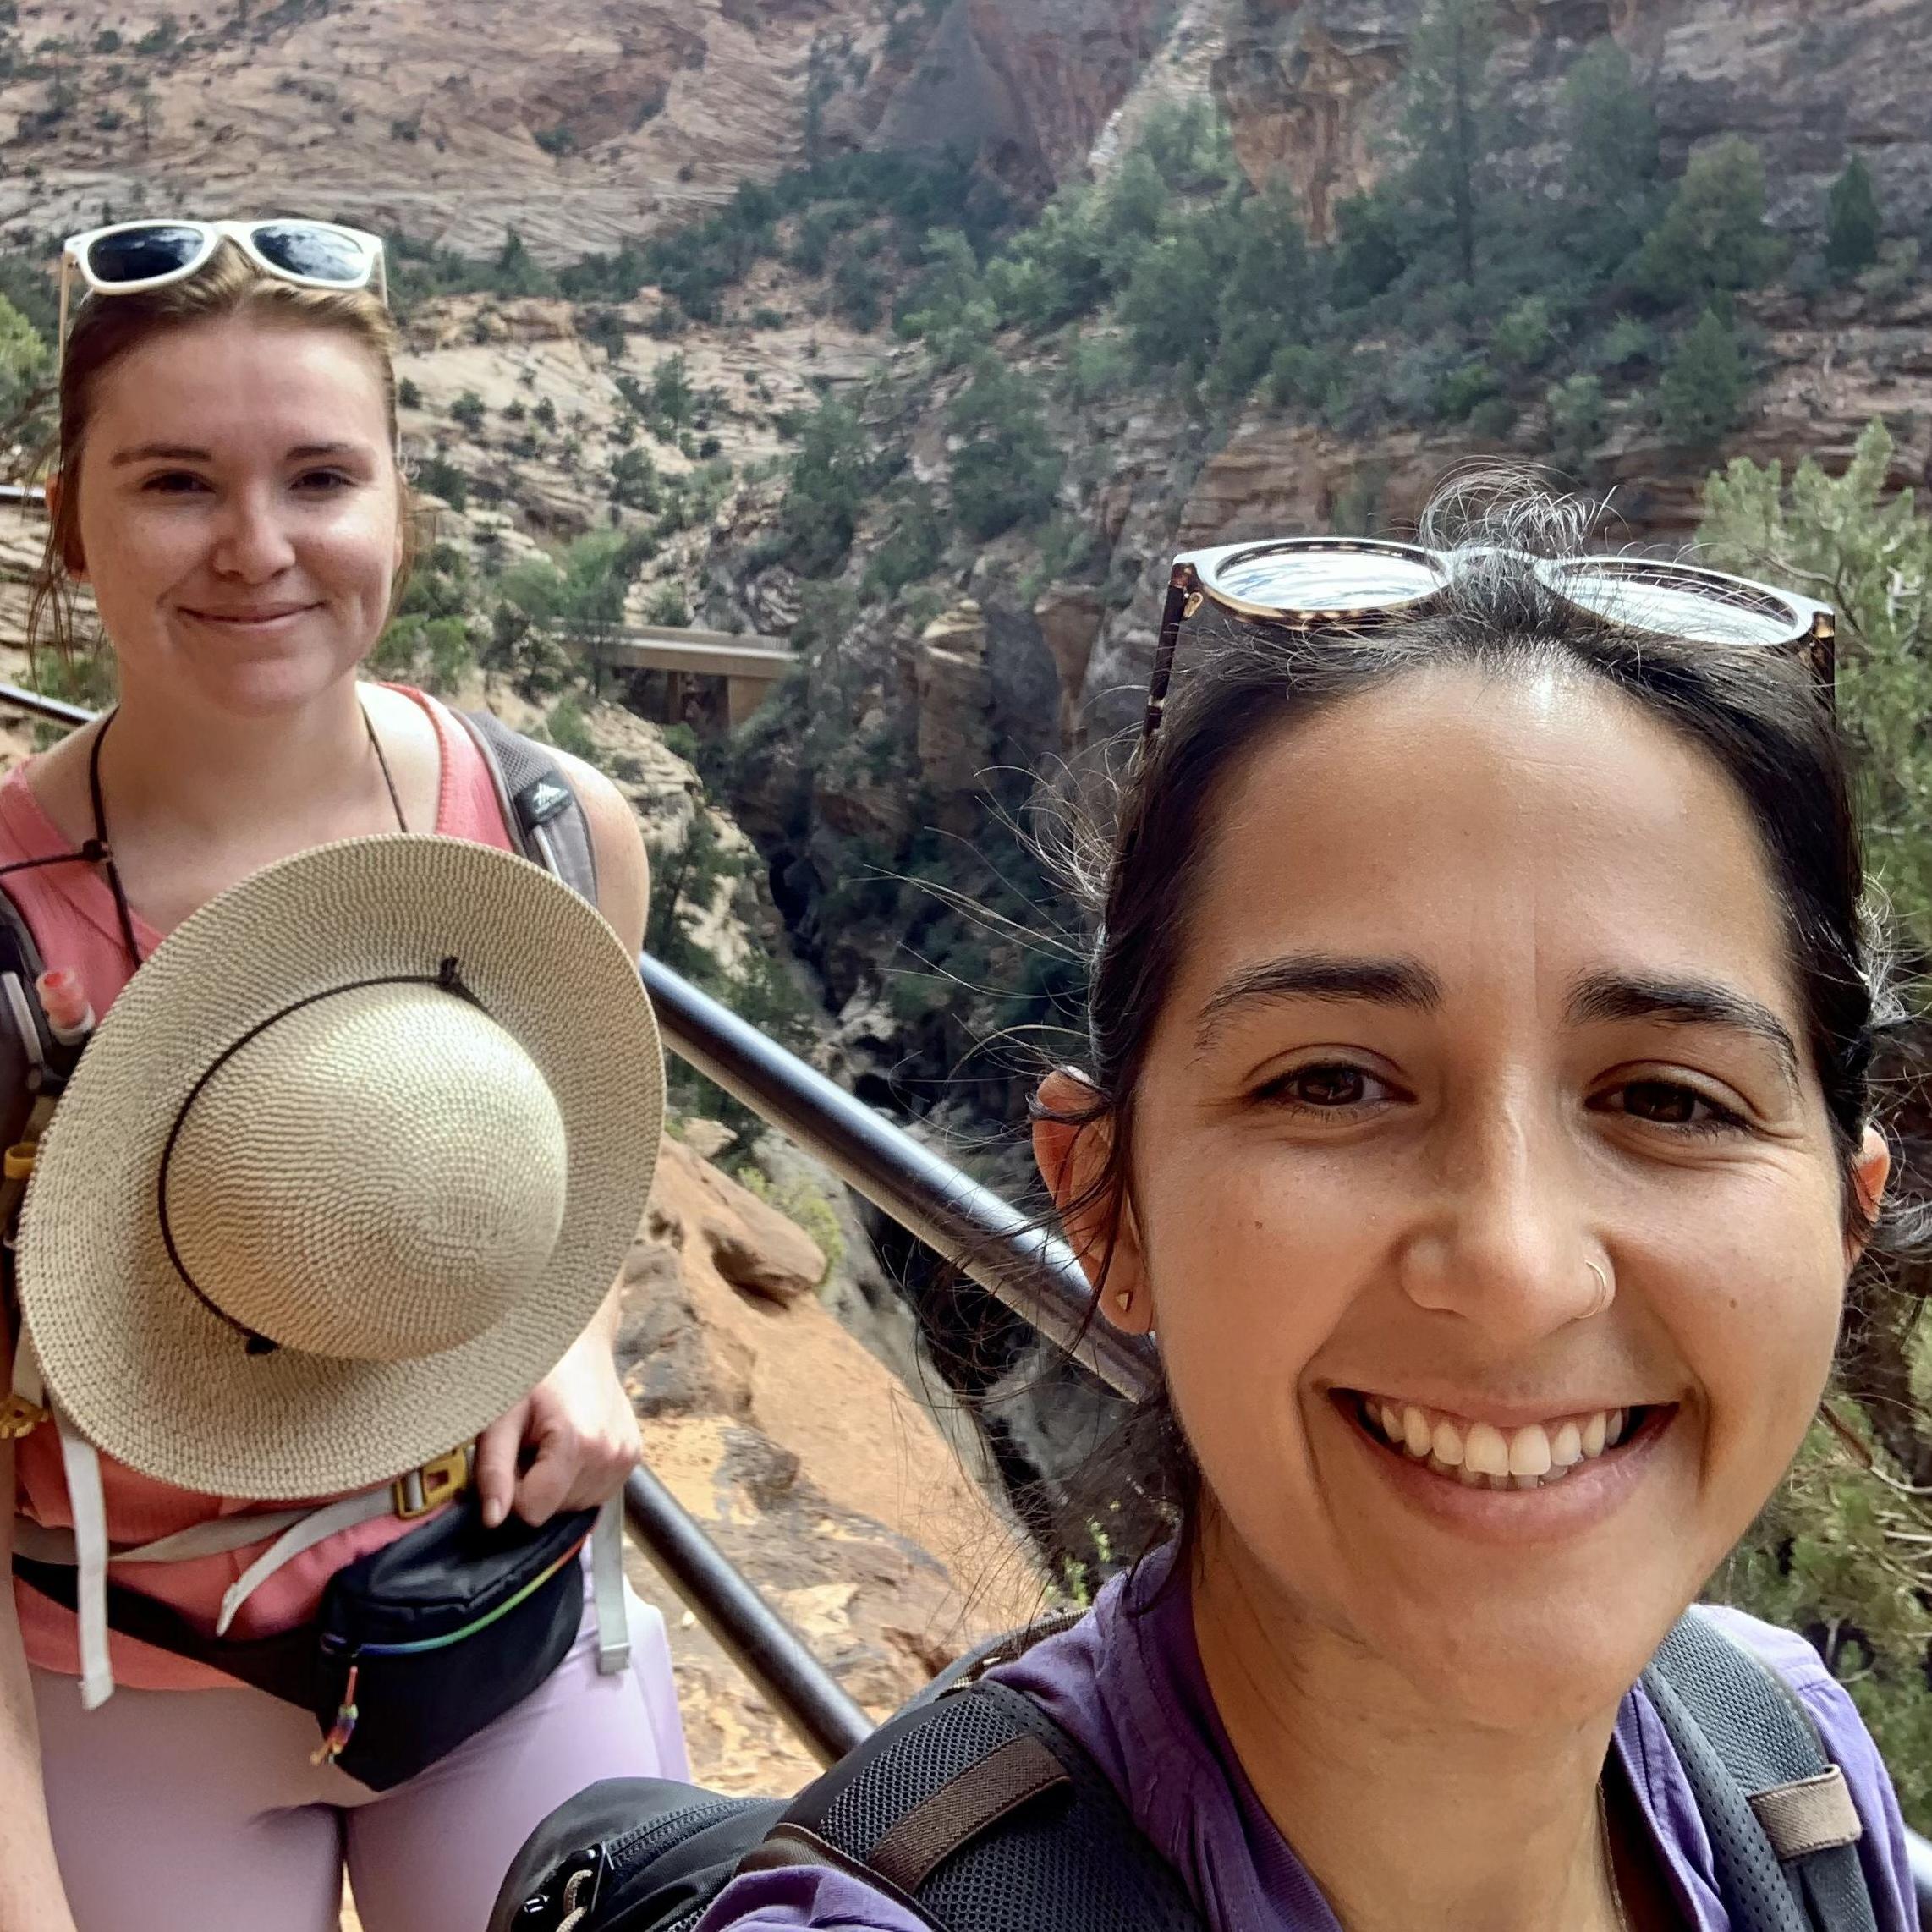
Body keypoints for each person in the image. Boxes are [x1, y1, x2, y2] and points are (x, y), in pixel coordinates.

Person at [691, 491, 1924, 1930]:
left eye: (1669, 1100)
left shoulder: (1798, 1767)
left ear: (1845, 1222)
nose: (1518, 1267)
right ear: (1109, 1203)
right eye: (1333, 1082)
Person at [0, 221, 687, 1932]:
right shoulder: (12, 936)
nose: (256, 548)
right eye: (174, 483)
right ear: (68, 518)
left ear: (399, 506)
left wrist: (581, 1328)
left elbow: (588, 1128)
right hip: (123, 1689)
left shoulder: (549, 832)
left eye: (320, 475)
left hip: (492, 1633)